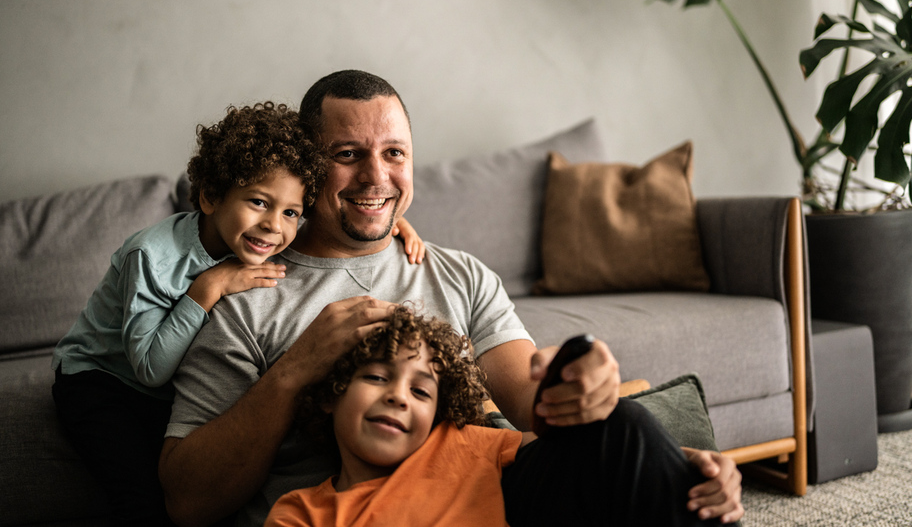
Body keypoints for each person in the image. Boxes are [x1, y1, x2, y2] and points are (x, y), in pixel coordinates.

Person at [159, 71, 744, 527]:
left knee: (634, 434)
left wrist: (622, 423)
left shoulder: (459, 274)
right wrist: (295, 370)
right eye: (347, 154)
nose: (376, 177)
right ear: (307, 168)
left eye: (394, 153)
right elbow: (186, 502)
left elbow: (533, 408)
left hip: (483, 500)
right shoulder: (242, 295)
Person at [51, 101, 424, 526]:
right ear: (211, 196)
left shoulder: (258, 236)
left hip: (165, 387)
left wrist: (394, 224)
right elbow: (150, 370)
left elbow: (334, 222)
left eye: (290, 212)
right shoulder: (151, 256)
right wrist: (207, 289)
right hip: (102, 382)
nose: (274, 225)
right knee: (142, 501)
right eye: (259, 202)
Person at [264, 305, 528, 527]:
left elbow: (550, 446)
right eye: (376, 377)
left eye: (421, 392)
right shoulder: (301, 513)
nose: (399, 397)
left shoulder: (465, 442)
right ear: (331, 394)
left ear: (437, 413)